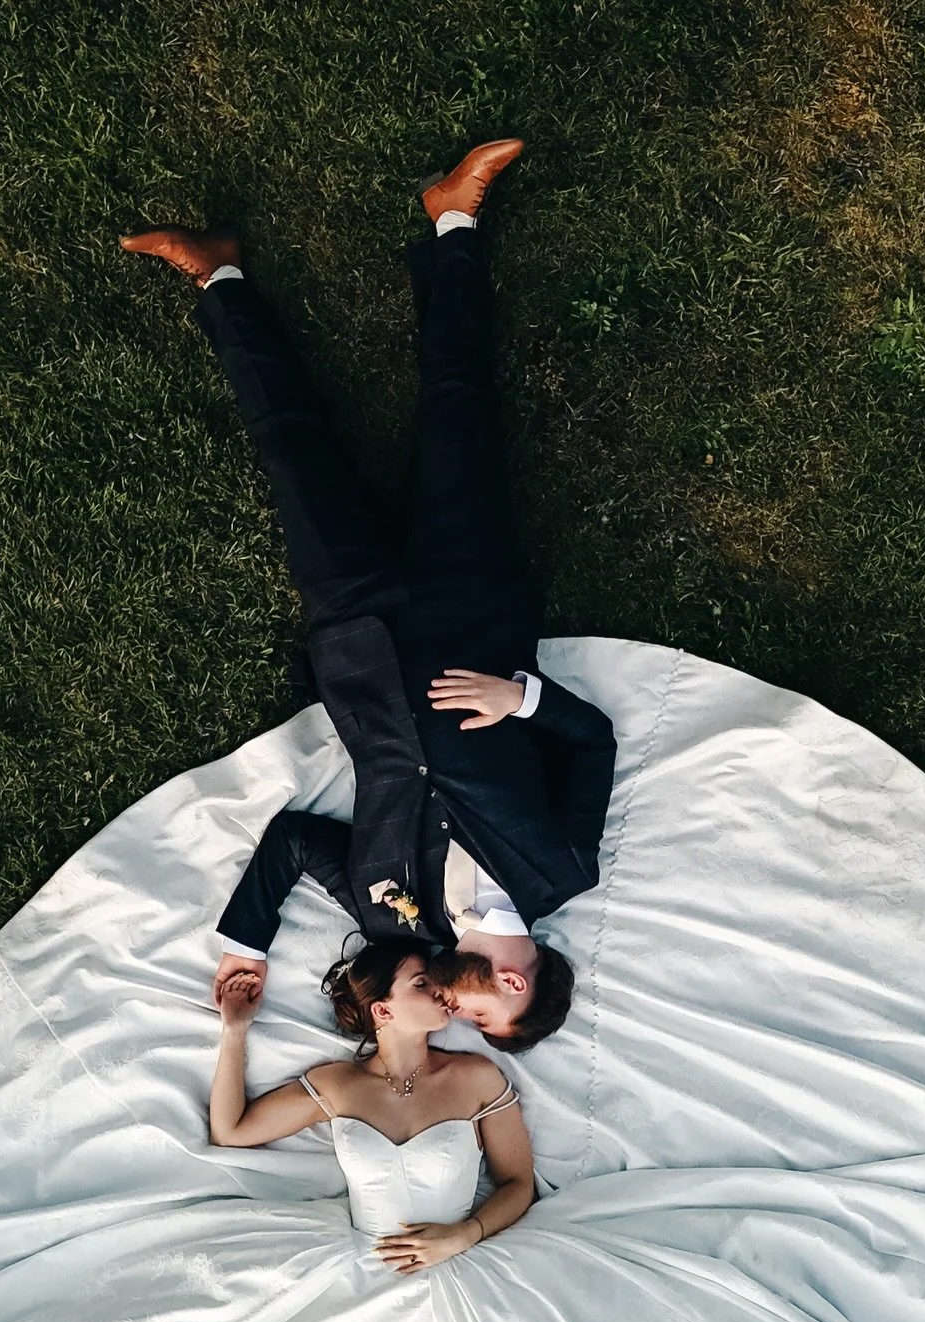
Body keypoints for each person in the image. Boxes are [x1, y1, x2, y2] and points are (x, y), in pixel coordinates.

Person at [121, 140, 618, 1051]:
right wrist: (522, 699)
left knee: (291, 450)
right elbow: (592, 741)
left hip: (358, 636)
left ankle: (219, 274)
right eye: (484, 1015)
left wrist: (247, 941)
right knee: (459, 411)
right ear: (518, 985)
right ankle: (453, 216)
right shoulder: (563, 868)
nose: (461, 1012)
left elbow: (299, 842)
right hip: (473, 605)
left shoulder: (402, 922)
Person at [210, 938, 534, 1269]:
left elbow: (520, 1184)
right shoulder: (338, 1085)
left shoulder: (477, 1077)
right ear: (382, 1010)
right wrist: (234, 1030)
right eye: (421, 983)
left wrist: (464, 1235)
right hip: (363, 1269)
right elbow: (230, 1131)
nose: (440, 990)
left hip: (461, 1262)